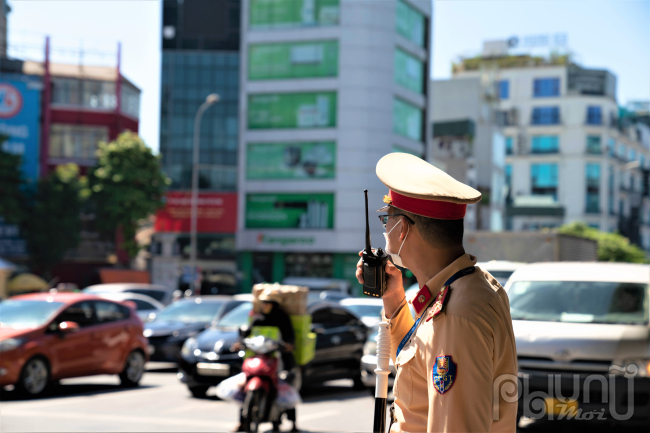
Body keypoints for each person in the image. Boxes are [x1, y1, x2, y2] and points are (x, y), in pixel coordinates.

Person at [356, 153, 518, 432]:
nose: (386, 230)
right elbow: (418, 370)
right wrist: (393, 299)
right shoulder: (459, 289)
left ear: (402, 228)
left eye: (387, 221)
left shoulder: (456, 314)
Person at [233, 289, 299, 432]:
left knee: (286, 383)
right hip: (258, 356)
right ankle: (242, 421)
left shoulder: (282, 318)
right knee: (244, 383)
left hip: (277, 357)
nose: (264, 305)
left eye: (267, 303)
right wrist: (240, 342)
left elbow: (289, 336)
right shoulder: (258, 318)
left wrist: (287, 345)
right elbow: (247, 333)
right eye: (263, 303)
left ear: (274, 304)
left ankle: (293, 422)